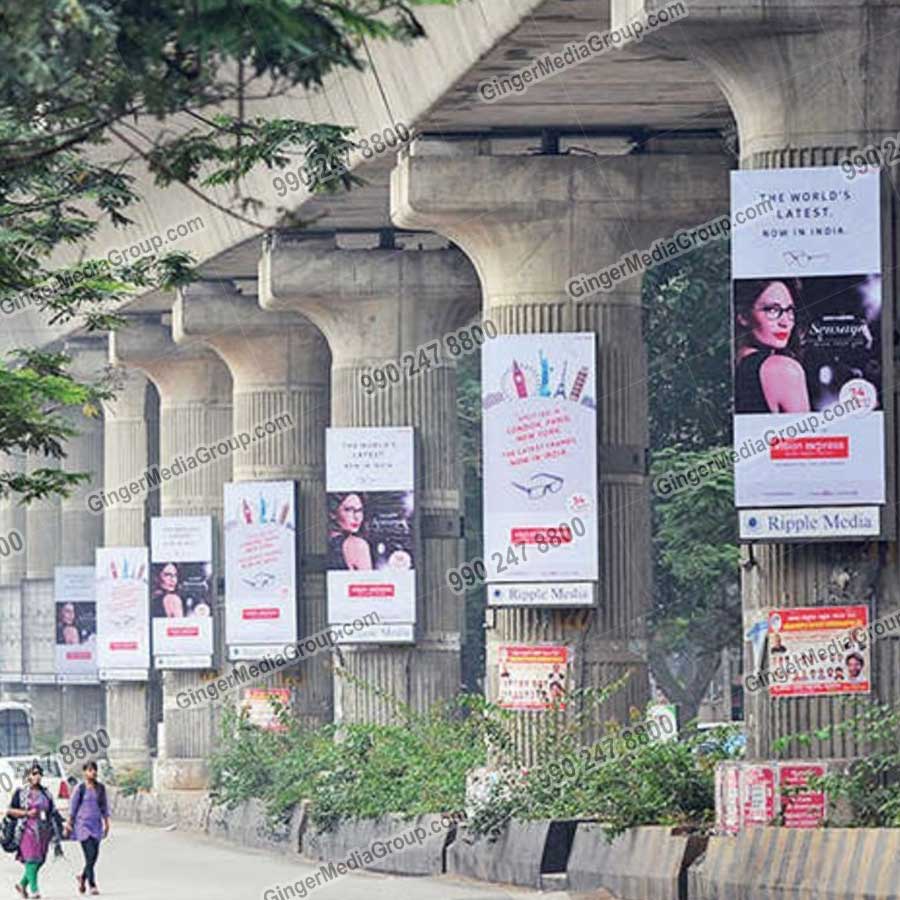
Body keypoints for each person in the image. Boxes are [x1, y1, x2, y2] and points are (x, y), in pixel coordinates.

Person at [734, 279, 811, 414]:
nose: (785, 322)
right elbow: (805, 435)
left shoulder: (735, 363)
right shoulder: (783, 369)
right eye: (772, 310)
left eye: (789, 310)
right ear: (743, 316)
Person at [7, 763, 63, 899]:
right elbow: (10, 810)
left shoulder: (46, 793)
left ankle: (21, 884)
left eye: (39, 773)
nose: (37, 776)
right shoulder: (20, 793)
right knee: (31, 859)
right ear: (28, 777)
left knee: (40, 860)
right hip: (27, 830)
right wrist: (26, 813)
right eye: (33, 773)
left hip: (43, 831)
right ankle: (34, 890)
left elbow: (53, 811)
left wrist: (62, 826)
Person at [65, 761, 110, 895]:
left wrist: (107, 823)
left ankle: (82, 877)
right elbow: (73, 807)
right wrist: (69, 823)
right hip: (82, 825)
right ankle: (92, 884)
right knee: (89, 854)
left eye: (94, 770)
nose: (93, 773)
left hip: (96, 824)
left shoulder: (100, 788)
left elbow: (104, 807)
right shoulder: (80, 788)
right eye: (90, 770)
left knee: (94, 855)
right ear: (84, 772)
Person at [327, 493, 373, 570]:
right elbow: (366, 581)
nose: (356, 517)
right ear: (333, 513)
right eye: (348, 510)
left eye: (359, 510)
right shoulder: (357, 545)